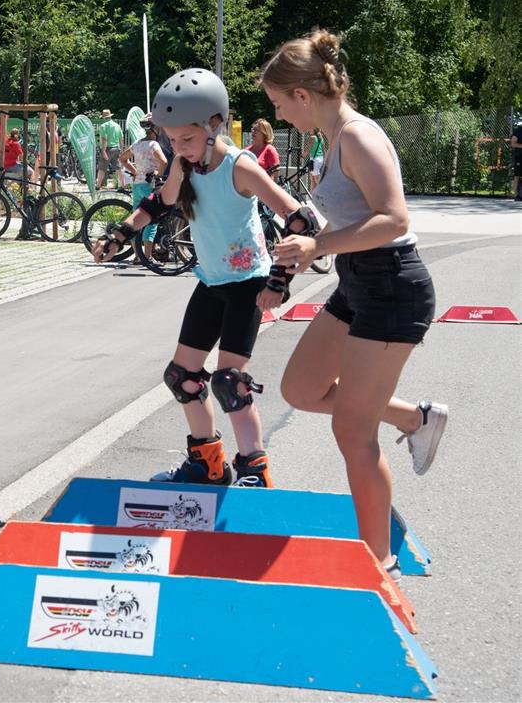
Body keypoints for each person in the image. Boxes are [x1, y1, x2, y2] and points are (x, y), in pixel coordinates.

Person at [259, 28, 448, 579]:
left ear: (302, 95)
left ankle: (378, 563)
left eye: (278, 105)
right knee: (299, 388)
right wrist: (306, 241)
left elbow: (394, 219)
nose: (281, 116)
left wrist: (318, 244)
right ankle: (417, 418)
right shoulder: (334, 137)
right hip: (359, 282)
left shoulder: (359, 136)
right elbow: (350, 217)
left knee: (352, 432)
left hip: (393, 288)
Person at [94, 68, 311, 489]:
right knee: (182, 376)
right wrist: (118, 233)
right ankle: (207, 464)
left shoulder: (240, 167)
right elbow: (160, 203)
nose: (179, 148)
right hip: (211, 282)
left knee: (230, 383)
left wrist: (278, 281)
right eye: (172, 140)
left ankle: (254, 469)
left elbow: (300, 219)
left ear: (215, 125)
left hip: (248, 284)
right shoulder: (184, 164)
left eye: (186, 139)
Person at [118, 117, 167, 262]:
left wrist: (134, 172)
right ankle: (148, 256)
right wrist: (159, 173)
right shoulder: (154, 145)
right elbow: (164, 161)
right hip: (149, 185)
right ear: (154, 129)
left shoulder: (137, 144)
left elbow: (122, 158)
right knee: (151, 220)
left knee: (136, 219)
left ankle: (137, 256)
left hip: (137, 185)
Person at [96, 109, 123, 190]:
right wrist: (121, 149)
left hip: (108, 149)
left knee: (102, 168)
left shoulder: (103, 126)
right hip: (117, 148)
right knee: (118, 168)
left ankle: (98, 186)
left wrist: (103, 151)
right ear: (110, 116)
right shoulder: (117, 125)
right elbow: (121, 138)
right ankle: (122, 185)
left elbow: (104, 139)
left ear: (104, 118)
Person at [511, 119, 522, 202]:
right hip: (520, 157)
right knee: (517, 175)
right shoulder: (518, 130)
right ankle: (515, 195)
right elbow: (513, 143)